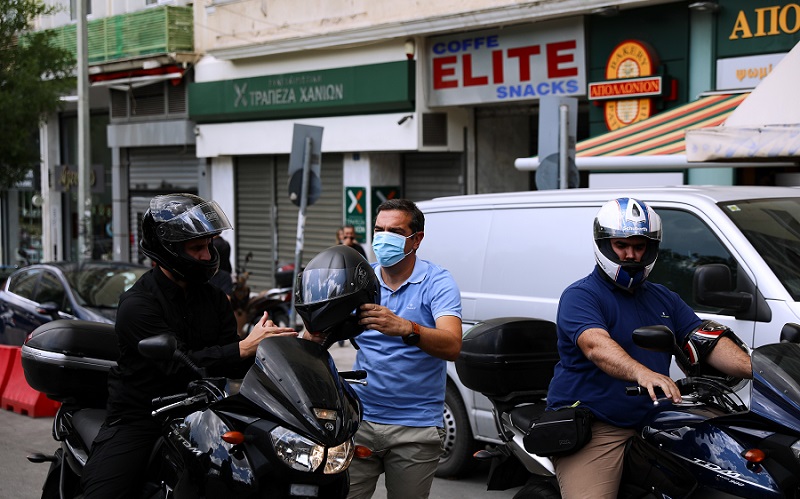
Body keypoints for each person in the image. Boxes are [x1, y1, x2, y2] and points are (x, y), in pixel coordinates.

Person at [81, 193, 296, 498]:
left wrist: (268, 345)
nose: (207, 255)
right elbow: (178, 364)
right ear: (166, 250)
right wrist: (243, 348)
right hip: (143, 418)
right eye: (197, 248)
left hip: (204, 412)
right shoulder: (137, 304)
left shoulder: (213, 299)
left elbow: (231, 360)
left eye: (208, 245)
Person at [546, 197, 753, 499]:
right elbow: (595, 346)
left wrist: (758, 368)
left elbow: (706, 341)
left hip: (659, 416)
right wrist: (642, 373)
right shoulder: (581, 295)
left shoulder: (663, 297)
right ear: (603, 244)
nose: (631, 255)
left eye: (639, 246)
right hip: (599, 423)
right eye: (621, 245)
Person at [347, 198, 462, 499]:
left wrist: (407, 328)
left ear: (417, 239)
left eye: (395, 232)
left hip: (416, 426)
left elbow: (452, 345)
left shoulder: (437, 282)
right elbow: (318, 336)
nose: (383, 238)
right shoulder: (360, 281)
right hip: (360, 420)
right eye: (378, 230)